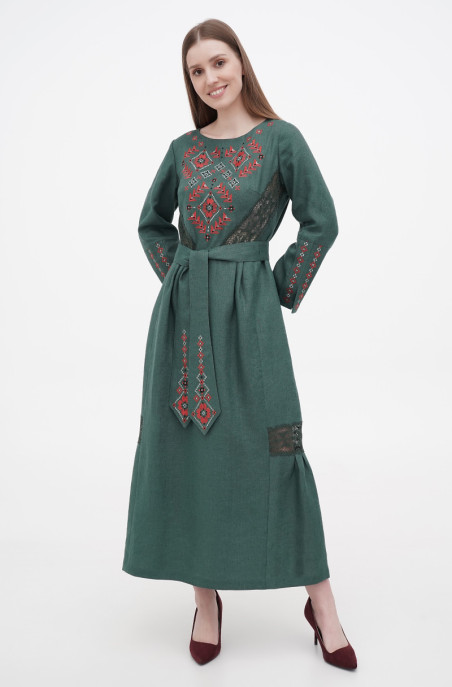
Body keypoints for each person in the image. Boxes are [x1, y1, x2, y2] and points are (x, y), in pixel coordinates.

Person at [122, 18, 357, 670]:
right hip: (184, 320)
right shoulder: (182, 150)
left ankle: (322, 605)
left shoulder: (281, 140)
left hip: (251, 315)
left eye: (218, 62)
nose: (211, 78)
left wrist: (274, 286)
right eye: (197, 71)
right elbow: (151, 224)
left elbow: (321, 220)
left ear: (241, 63)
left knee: (278, 446)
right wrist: (182, 279)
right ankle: (205, 600)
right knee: (189, 446)